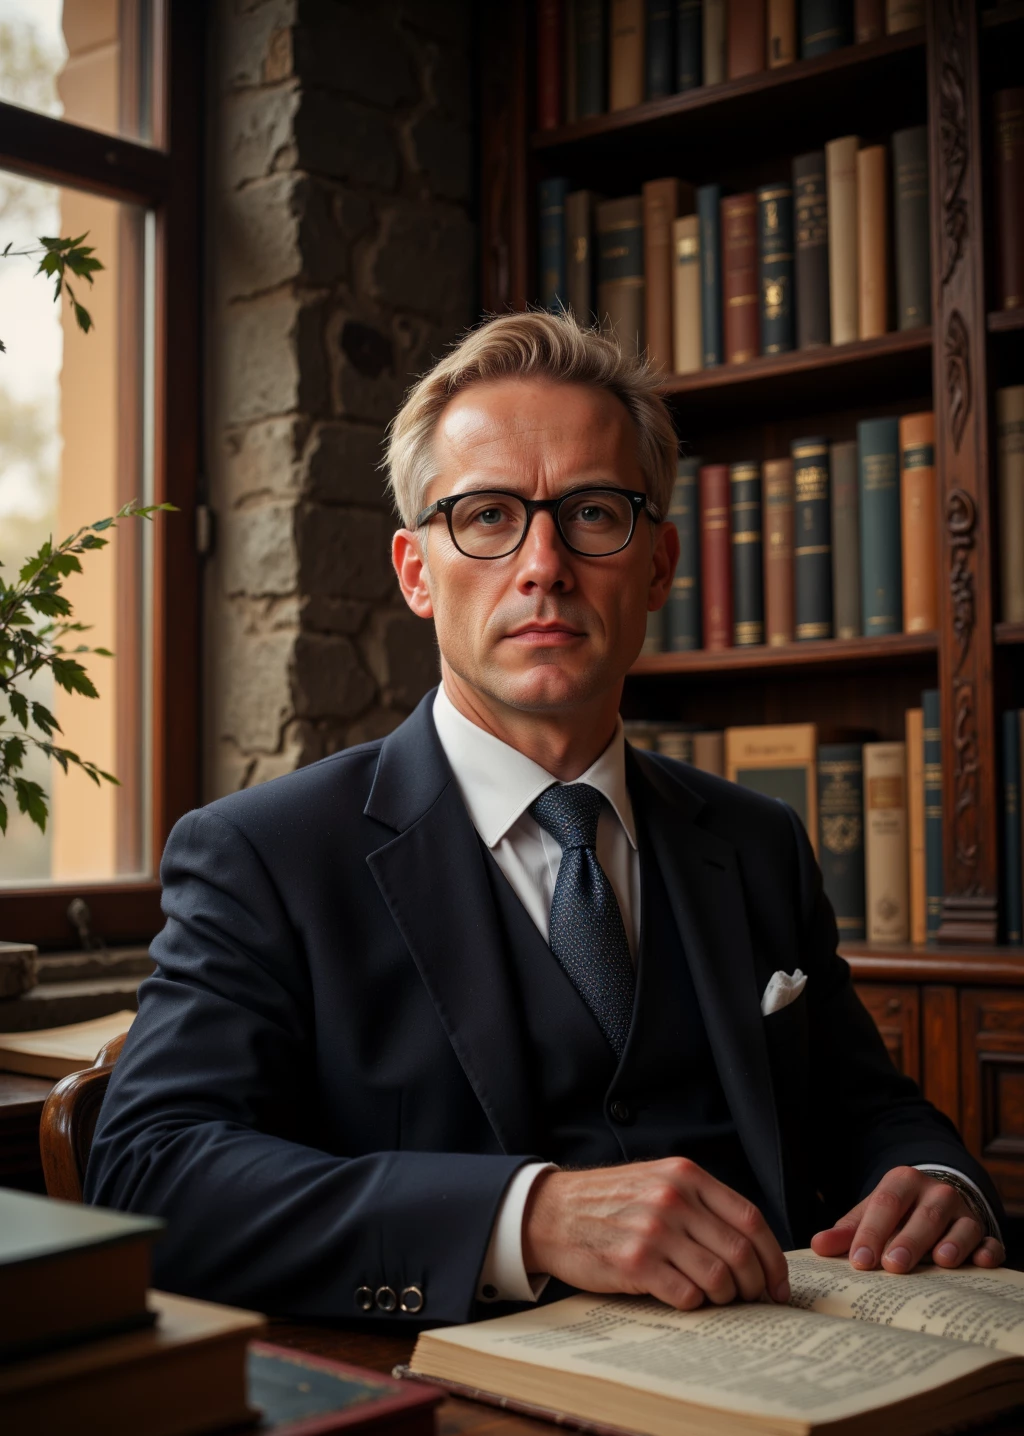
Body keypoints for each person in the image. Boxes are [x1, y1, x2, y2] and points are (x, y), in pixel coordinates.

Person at [86, 312, 1004, 1325]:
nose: (543, 566)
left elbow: (865, 1110)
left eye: (594, 513)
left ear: (657, 565)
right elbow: (149, 1172)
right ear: (414, 572)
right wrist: (524, 1217)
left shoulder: (756, 842)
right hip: (461, 1429)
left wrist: (932, 1180)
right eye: (485, 516)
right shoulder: (264, 855)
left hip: (796, 1377)